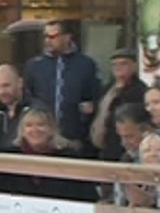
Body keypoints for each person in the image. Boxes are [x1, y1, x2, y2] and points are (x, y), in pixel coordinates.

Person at [23, 19, 102, 155]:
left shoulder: (86, 64)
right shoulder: (35, 66)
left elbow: (93, 98)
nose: (48, 41)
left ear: (67, 37)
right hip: (43, 141)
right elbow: (28, 97)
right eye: (46, 37)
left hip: (76, 139)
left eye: (53, 36)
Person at [90, 48, 149, 161]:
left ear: (135, 66)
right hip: (101, 149)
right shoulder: (106, 88)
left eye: (123, 64)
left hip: (124, 150)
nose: (118, 68)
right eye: (114, 65)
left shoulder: (141, 92)